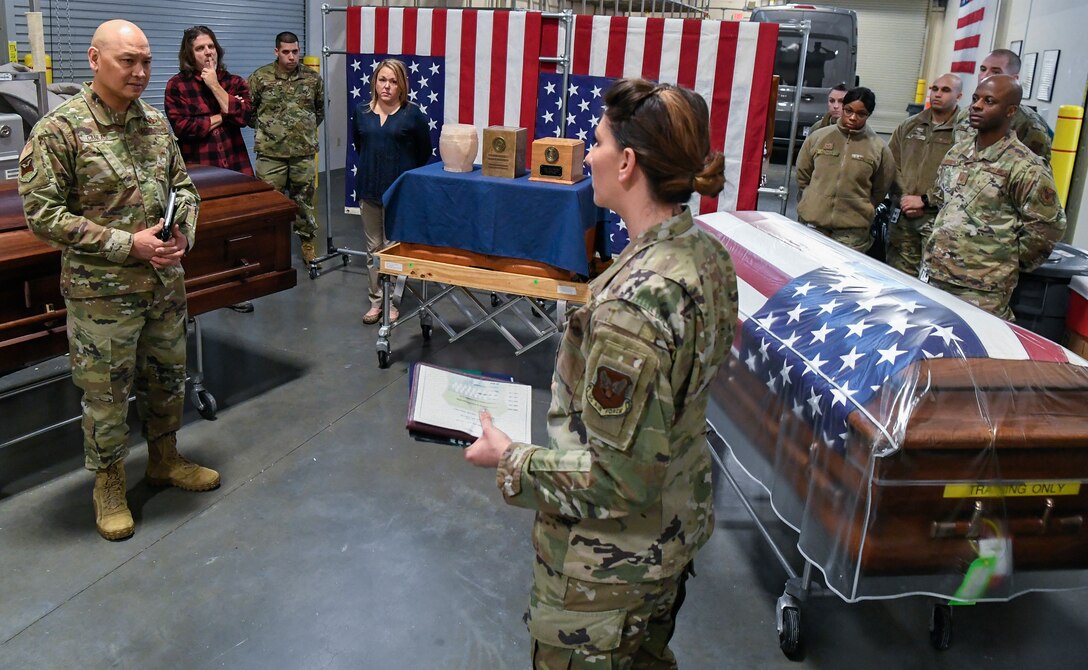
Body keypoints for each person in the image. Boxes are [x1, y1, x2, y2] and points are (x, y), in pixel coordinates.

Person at [463, 79, 737, 668]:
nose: (587, 156)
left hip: (608, 568)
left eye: (597, 143)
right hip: (673, 530)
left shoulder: (632, 306)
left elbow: (619, 481)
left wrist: (510, 458)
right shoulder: (705, 254)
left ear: (629, 163)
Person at [17, 19, 220, 542]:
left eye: (146, 61)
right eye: (127, 60)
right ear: (94, 58)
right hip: (102, 294)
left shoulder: (154, 123)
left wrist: (183, 238)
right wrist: (125, 243)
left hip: (162, 286)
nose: (139, 71)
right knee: (106, 395)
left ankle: (164, 460)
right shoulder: (59, 130)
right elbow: (43, 216)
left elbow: (186, 190)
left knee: (167, 377)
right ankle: (108, 486)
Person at [922, 75, 1066, 320]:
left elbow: (1048, 227)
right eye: (976, 99)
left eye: (989, 101)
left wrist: (1005, 259)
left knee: (975, 356)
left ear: (1010, 111)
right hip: (935, 276)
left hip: (982, 289)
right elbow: (941, 203)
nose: (977, 106)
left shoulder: (1025, 166)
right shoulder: (958, 153)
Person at [351, 58, 431, 325]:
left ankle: (393, 303)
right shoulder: (361, 112)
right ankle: (376, 302)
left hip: (399, 193)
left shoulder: (413, 114)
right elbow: (360, 145)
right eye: (382, 80)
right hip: (369, 189)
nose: (386, 86)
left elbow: (423, 152)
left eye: (393, 81)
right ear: (375, 82)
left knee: (394, 248)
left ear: (402, 86)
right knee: (374, 249)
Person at [248, 31, 325, 265]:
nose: (291, 57)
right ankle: (268, 245)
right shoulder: (260, 78)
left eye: (295, 52)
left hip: (303, 153)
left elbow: (319, 110)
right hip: (271, 154)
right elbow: (249, 112)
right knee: (269, 201)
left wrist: (301, 133)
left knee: (304, 200)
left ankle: (307, 243)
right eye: (286, 52)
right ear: (276, 52)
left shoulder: (312, 79)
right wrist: (271, 131)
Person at [795, 86, 896, 252]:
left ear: (868, 115)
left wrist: (865, 206)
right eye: (848, 111)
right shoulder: (819, 137)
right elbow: (802, 174)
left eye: (861, 114)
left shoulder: (878, 148)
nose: (853, 117)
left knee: (840, 276)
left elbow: (881, 187)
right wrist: (811, 198)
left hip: (852, 231)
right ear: (843, 108)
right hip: (813, 222)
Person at [886, 73, 962, 274]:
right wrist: (904, 198)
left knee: (936, 278)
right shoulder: (909, 125)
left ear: (959, 96)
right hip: (903, 217)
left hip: (939, 220)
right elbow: (892, 165)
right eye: (934, 89)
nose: (937, 94)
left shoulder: (965, 132)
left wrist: (926, 200)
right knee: (899, 276)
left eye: (945, 90)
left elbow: (964, 177)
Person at [164, 25, 253, 176]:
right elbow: (183, 128)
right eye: (200, 48)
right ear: (189, 55)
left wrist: (214, 85)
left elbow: (244, 117)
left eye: (211, 46)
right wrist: (225, 114)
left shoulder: (234, 82)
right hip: (200, 169)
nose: (208, 52)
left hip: (237, 166)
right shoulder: (177, 85)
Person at [953, 49, 1052, 162]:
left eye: (996, 72)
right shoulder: (965, 114)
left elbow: (1036, 169)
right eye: (983, 69)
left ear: (1014, 79)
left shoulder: (1029, 123)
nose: (984, 76)